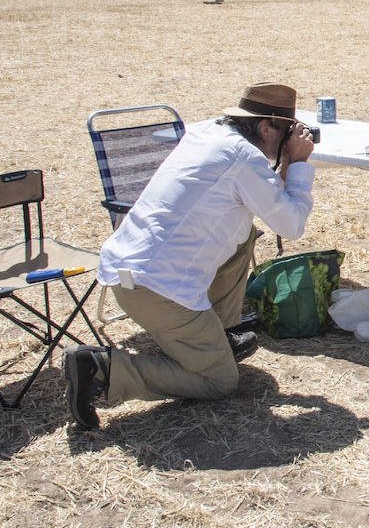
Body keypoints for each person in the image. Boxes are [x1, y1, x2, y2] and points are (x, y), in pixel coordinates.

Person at [63, 82, 317, 430]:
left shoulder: (204, 134)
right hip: (157, 291)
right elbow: (291, 225)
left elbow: (272, 206)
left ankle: (217, 337)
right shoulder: (244, 158)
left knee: (243, 236)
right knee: (220, 382)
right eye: (286, 131)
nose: (288, 139)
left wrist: (285, 158)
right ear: (265, 126)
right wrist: (298, 163)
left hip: (128, 272)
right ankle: (104, 370)